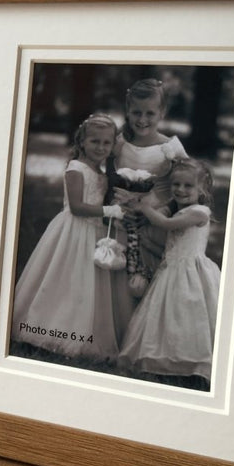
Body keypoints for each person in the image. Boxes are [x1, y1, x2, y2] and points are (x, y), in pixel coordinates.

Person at [11, 114, 129, 362]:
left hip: (93, 232)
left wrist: (114, 213)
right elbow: (77, 207)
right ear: (82, 141)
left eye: (106, 143)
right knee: (65, 281)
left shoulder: (102, 172)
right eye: (95, 141)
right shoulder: (76, 168)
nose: (100, 147)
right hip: (73, 232)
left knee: (85, 287)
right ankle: (46, 329)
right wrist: (109, 211)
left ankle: (79, 332)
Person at [118, 159, 220, 387]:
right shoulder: (181, 211)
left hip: (190, 274)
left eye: (188, 186)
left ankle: (192, 362)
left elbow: (165, 224)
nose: (180, 190)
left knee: (187, 316)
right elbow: (172, 248)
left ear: (202, 189)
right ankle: (167, 359)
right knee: (168, 317)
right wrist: (145, 241)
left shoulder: (200, 212)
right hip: (171, 270)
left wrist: (144, 207)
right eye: (176, 184)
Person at [108, 79, 188, 299]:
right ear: (128, 111)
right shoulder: (119, 143)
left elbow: (189, 186)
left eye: (150, 113)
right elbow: (107, 178)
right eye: (136, 112)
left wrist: (159, 212)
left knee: (149, 278)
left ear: (162, 112)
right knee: (120, 275)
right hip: (120, 218)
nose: (142, 120)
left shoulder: (170, 147)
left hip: (154, 221)